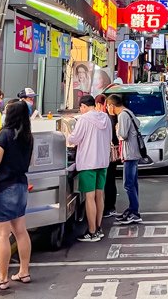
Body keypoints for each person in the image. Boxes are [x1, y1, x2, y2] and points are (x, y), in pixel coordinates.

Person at [0, 100, 34, 291]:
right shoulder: (28, 136)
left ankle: (2, 278)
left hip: (4, 186)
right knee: (21, 230)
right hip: (21, 185)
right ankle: (24, 271)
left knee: (2, 234)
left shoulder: (4, 134)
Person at [67, 94, 112, 242]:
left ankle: (91, 232)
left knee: (89, 197)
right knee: (100, 195)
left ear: (84, 106)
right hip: (103, 162)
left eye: (81, 108)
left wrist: (68, 133)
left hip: (88, 163)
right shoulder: (105, 118)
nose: (81, 110)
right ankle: (98, 228)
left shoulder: (84, 120)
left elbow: (73, 139)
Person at [109, 94, 143, 225]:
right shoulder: (129, 112)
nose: (108, 109)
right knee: (133, 183)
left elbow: (122, 135)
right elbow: (138, 124)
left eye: (108, 106)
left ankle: (134, 212)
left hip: (129, 153)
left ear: (112, 105)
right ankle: (132, 209)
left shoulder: (122, 115)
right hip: (133, 152)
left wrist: (117, 129)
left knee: (128, 184)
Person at [98, 94, 120, 219]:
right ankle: (110, 206)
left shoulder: (109, 119)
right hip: (111, 155)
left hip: (109, 155)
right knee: (110, 181)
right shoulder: (112, 117)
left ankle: (110, 207)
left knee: (109, 181)